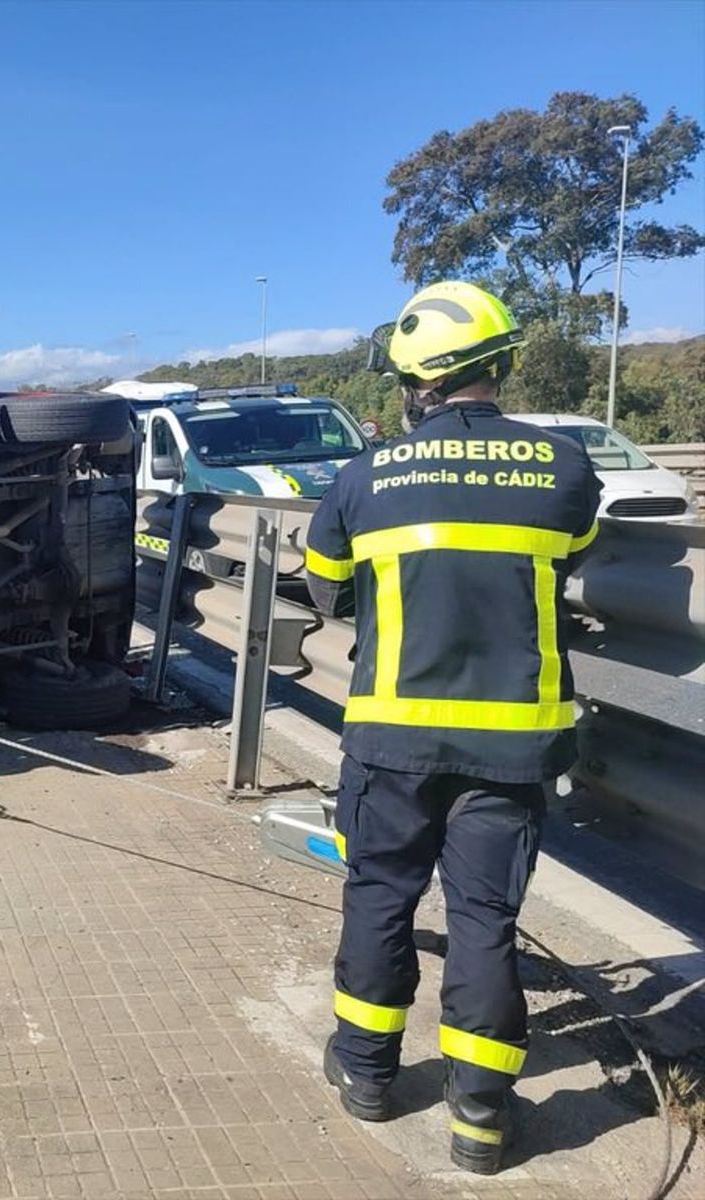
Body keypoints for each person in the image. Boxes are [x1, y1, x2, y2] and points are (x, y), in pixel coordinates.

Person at [305, 281, 601, 1175]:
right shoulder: (565, 467)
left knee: (379, 897)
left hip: (391, 741)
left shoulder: (366, 476)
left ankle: (366, 1075)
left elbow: (325, 584)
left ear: (415, 383)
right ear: (499, 366)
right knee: (485, 920)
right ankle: (479, 1119)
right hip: (512, 749)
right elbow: (575, 559)